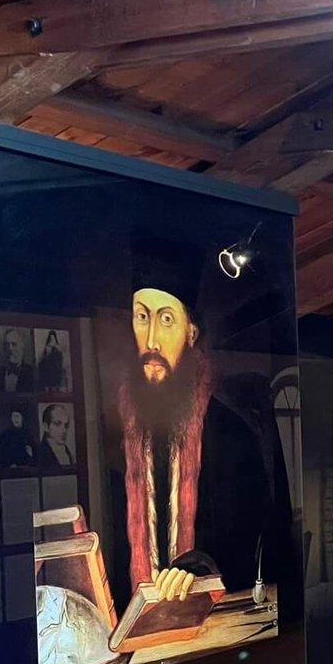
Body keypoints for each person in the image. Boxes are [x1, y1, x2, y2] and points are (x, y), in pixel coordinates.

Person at [108, 238, 282, 610]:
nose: (152, 340)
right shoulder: (118, 433)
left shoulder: (230, 431)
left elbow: (253, 534)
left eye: (166, 319)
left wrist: (198, 566)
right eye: (142, 317)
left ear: (191, 332)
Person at [0, 328, 34, 393]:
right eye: (7, 344)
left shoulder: (31, 373)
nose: (10, 348)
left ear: (22, 346)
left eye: (14, 344)